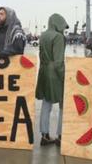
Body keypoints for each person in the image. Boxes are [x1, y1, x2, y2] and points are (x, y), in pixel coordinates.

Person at [36, 13, 69, 147]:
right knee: (62, 105)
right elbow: (58, 62)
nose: (63, 29)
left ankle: (44, 135)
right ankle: (60, 136)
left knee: (46, 104)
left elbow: (40, 54)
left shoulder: (43, 35)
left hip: (43, 72)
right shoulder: (59, 37)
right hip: (55, 74)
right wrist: (64, 77)